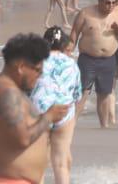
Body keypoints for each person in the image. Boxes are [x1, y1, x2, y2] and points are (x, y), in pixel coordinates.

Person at [0, 34, 67, 184]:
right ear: (21, 67)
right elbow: (23, 138)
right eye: (38, 70)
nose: (39, 76)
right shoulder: (7, 92)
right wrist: (48, 117)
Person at [71, 0, 118, 128]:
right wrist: (68, 52)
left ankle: (104, 126)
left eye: (113, 2)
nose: (110, 6)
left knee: (105, 94)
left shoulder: (117, 14)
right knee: (82, 93)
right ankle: (71, 124)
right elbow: (74, 33)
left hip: (108, 60)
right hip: (88, 59)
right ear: (99, 1)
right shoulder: (86, 13)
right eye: (107, 3)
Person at [31, 25, 81, 184]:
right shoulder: (71, 63)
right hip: (63, 111)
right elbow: (76, 94)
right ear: (63, 45)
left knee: (38, 163)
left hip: (40, 111)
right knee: (61, 163)